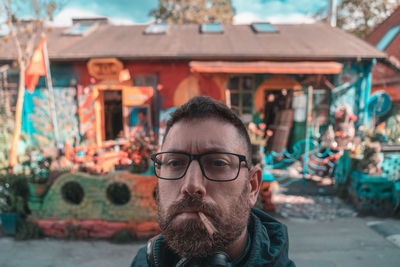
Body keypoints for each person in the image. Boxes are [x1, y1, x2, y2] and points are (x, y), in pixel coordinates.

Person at [131, 96, 295, 267]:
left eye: (218, 163)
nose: (191, 185)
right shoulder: (144, 262)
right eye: (175, 163)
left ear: (252, 187)